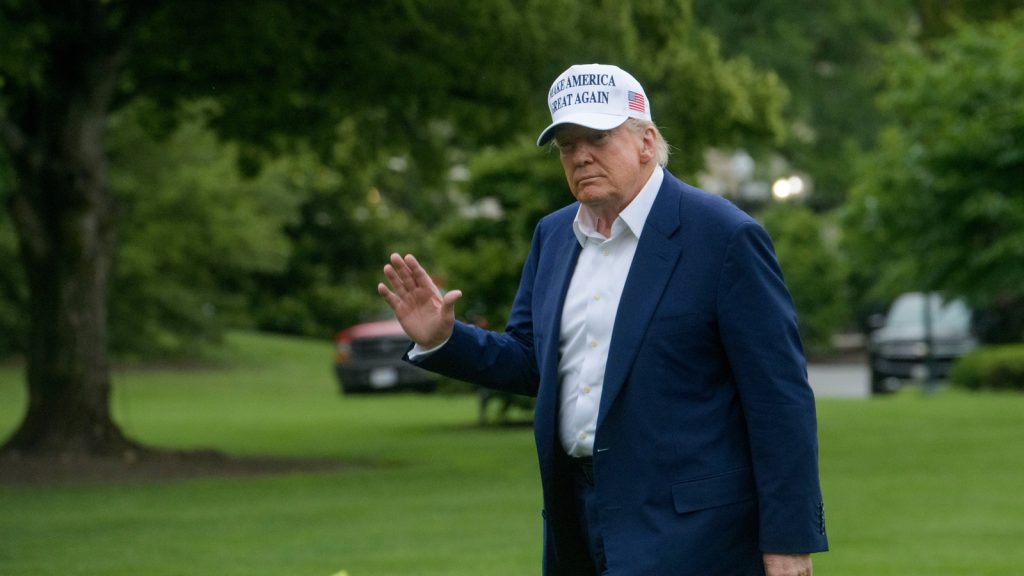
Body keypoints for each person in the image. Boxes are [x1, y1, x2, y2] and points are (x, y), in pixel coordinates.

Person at [378, 63, 828, 576]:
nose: (581, 156)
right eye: (567, 145)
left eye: (597, 136)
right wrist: (444, 339)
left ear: (646, 141)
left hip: (696, 534)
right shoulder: (553, 236)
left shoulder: (724, 237)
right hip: (577, 520)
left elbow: (780, 398)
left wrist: (789, 541)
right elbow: (532, 361)